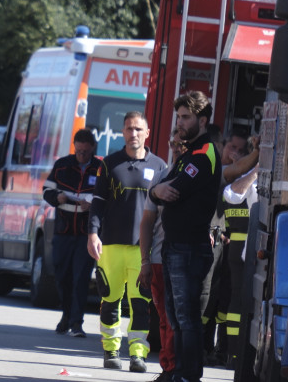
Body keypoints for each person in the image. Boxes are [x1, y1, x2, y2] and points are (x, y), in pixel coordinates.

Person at [149, 91, 222, 382]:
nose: (179, 122)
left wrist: (158, 192)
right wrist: (156, 191)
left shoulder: (204, 154)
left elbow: (173, 190)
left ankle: (189, 375)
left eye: (186, 117)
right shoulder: (187, 152)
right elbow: (159, 188)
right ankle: (176, 371)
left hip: (189, 248)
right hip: (174, 246)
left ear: (202, 120)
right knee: (176, 318)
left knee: (187, 318)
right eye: (178, 116)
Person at [88, 111, 168, 373]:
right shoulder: (109, 163)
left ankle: (137, 354)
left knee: (141, 304)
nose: (133, 134)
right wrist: (92, 233)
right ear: (123, 133)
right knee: (110, 300)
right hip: (110, 246)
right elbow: (97, 202)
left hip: (142, 249)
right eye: (128, 129)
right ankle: (111, 350)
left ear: (147, 133)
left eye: (137, 129)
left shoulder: (160, 167)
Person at [43, 128, 101, 339]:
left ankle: (77, 323)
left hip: (86, 234)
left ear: (93, 149)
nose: (82, 156)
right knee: (62, 276)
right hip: (63, 231)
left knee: (80, 279)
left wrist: (92, 206)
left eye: (86, 152)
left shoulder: (100, 168)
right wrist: (56, 196)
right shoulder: (62, 165)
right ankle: (67, 315)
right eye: (78, 151)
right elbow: (46, 191)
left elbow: (107, 198)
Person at [139, 129, 186, 381]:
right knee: (165, 319)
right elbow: (146, 223)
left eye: (182, 144)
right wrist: (145, 261)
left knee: (178, 320)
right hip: (158, 260)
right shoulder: (161, 176)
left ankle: (176, 370)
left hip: (185, 259)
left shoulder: (199, 176)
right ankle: (168, 369)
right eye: (172, 143)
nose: (176, 148)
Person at [215, 135, 259, 371]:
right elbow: (232, 195)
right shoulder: (248, 177)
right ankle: (233, 354)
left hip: (259, 248)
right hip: (242, 249)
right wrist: (256, 170)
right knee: (237, 300)